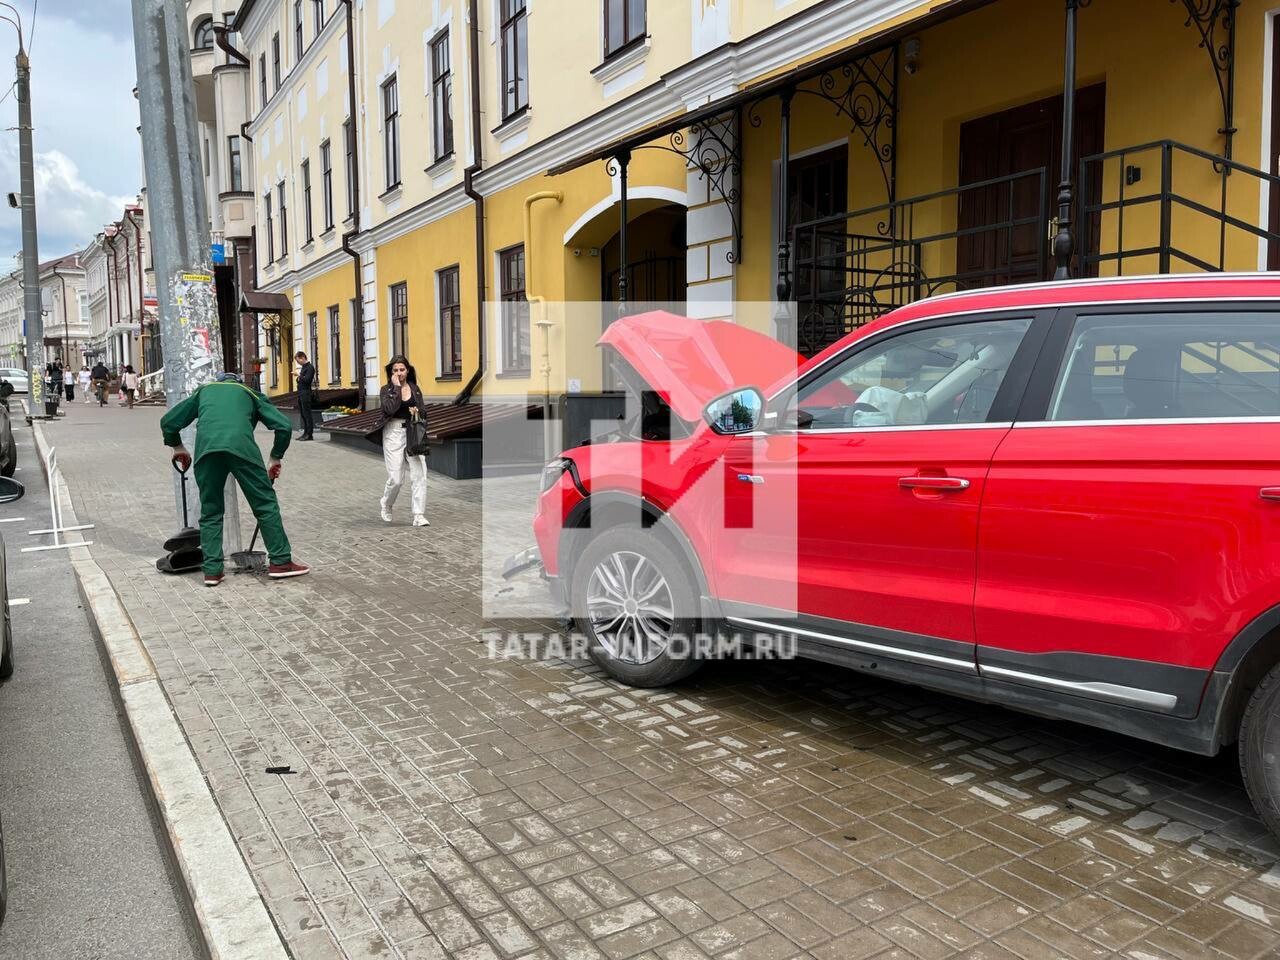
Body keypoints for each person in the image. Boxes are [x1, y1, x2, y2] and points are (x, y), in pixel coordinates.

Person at [160, 372, 310, 587]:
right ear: (237, 383)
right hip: (242, 451)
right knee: (265, 504)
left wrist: (178, 447)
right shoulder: (248, 392)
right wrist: (276, 457)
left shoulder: (204, 391)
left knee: (210, 511)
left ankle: (212, 571)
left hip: (207, 452)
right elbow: (284, 426)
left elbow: (168, 422)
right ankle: (281, 562)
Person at [378, 355, 429, 527]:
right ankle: (386, 502)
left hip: (413, 431)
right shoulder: (386, 390)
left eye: (402, 369)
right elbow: (389, 409)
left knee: (419, 475)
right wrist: (396, 387)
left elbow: (423, 411)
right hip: (393, 432)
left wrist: (417, 412)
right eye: (395, 370)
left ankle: (418, 514)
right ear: (391, 372)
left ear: (407, 371)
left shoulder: (415, 388)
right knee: (396, 478)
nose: (399, 373)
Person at [295, 351, 316, 441]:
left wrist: (298, 375)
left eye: (298, 360)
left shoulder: (310, 367)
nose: (298, 363)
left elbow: (307, 380)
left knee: (307, 414)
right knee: (303, 414)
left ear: (303, 357)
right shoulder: (304, 367)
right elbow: (301, 380)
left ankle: (309, 434)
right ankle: (305, 433)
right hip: (301, 393)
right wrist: (298, 377)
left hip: (306, 393)